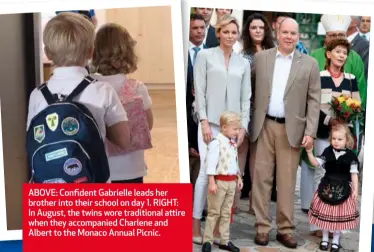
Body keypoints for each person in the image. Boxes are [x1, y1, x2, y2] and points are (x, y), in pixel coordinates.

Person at [27, 13, 130, 182]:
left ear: (48, 53)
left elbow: (34, 141)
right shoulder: (102, 90)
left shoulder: (37, 94)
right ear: (91, 52)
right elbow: (124, 140)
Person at [249, 18, 321, 248]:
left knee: (287, 182)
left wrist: (310, 131)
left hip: (293, 130)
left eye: (294, 33)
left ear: (298, 36)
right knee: (261, 180)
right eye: (285, 32)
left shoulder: (309, 64)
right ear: (277, 33)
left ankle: (285, 229)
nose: (289, 36)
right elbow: (248, 89)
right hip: (263, 126)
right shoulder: (261, 59)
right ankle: (261, 227)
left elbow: (314, 100)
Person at [192, 15, 251, 244]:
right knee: (206, 175)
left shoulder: (243, 63)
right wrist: (204, 121)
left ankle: (218, 231)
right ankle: (196, 225)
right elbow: (200, 91)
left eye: (233, 32)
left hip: (233, 129)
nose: (229, 36)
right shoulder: (205, 56)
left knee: (227, 176)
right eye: (225, 32)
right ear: (218, 33)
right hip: (210, 125)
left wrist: (243, 127)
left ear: (238, 35)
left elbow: (246, 98)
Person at [300, 39, 360, 225]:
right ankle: (317, 224)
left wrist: (347, 118)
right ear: (328, 54)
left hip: (344, 134)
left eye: (344, 53)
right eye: (338, 51)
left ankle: (336, 222)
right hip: (324, 132)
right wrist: (329, 121)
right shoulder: (319, 76)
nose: (341, 55)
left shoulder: (351, 80)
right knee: (321, 174)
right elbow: (313, 105)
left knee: (342, 176)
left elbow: (357, 105)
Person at [91, 23, 153, 183]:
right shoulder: (137, 88)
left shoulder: (88, 87)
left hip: (98, 170)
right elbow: (148, 125)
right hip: (132, 169)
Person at [240, 12, 275, 213]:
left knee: (259, 157)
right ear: (248, 30)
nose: (258, 31)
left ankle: (255, 200)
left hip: (267, 110)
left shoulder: (274, 52)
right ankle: (234, 199)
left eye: (261, 28)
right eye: (254, 27)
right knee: (242, 152)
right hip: (248, 107)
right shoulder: (243, 55)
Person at [305, 124, 360, 252]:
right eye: (334, 139)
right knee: (326, 214)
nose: (336, 141)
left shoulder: (351, 156)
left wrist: (356, 190)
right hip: (327, 187)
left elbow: (354, 175)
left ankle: (335, 240)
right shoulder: (328, 151)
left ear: (347, 140)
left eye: (340, 139)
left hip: (343, 190)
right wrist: (309, 152)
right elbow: (316, 163)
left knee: (338, 217)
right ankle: (324, 238)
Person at [202, 111, 243, 252]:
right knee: (214, 212)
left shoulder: (232, 144)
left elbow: (234, 163)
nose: (237, 132)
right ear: (224, 128)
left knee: (226, 212)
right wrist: (212, 182)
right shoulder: (216, 143)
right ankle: (207, 240)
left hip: (231, 182)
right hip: (219, 182)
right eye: (235, 129)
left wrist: (238, 177)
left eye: (238, 129)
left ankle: (224, 240)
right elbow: (211, 165)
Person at [311, 14, 366, 109]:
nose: (337, 38)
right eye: (332, 35)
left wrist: (350, 113)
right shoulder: (314, 56)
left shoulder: (355, 58)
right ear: (326, 37)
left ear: (345, 36)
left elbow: (360, 90)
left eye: (340, 35)